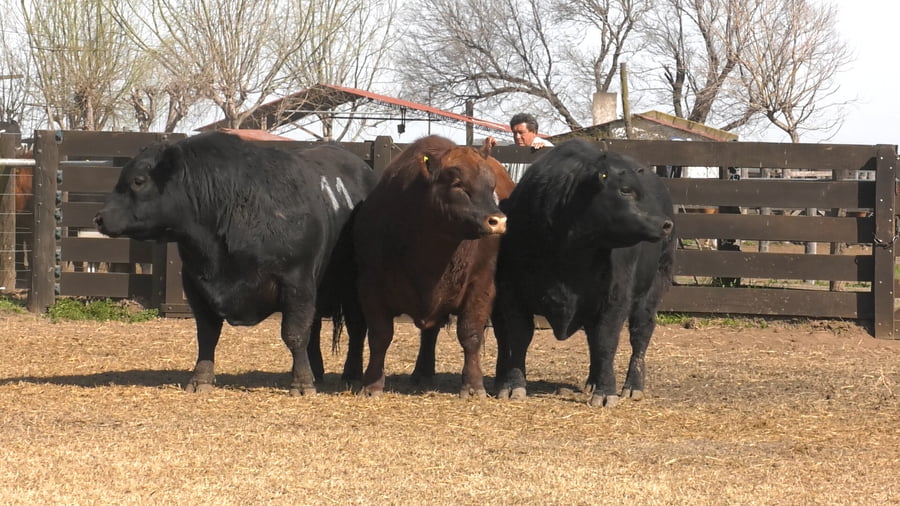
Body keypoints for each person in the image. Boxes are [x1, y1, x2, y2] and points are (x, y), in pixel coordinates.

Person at [485, 113, 552, 184]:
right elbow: (496, 172)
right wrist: (490, 150)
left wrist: (543, 152)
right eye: (514, 133)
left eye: (521, 132)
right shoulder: (510, 150)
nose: (517, 137)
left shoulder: (546, 148)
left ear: (534, 132)